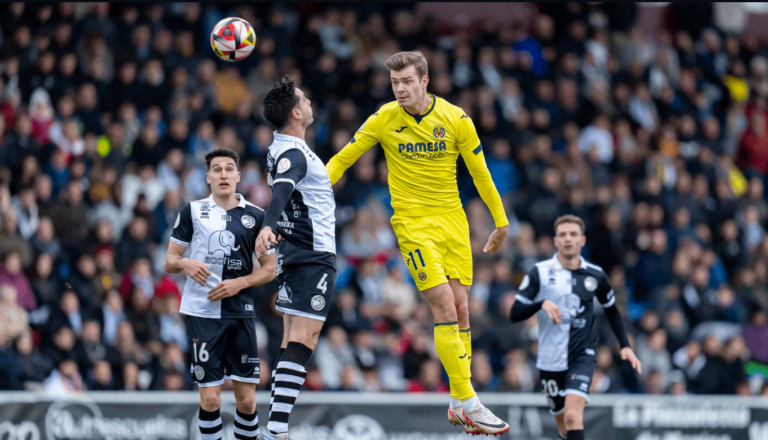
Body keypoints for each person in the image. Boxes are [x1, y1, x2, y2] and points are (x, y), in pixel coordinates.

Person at [324, 50, 510, 435]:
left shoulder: (456, 119)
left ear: (425, 82)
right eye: (394, 83)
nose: (400, 89)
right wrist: (310, 189)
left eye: (407, 81)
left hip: (453, 224)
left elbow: (480, 172)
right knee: (443, 304)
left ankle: (458, 404)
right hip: (412, 225)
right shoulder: (384, 118)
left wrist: (500, 220)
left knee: (461, 310)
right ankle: (470, 400)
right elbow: (343, 159)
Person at [164, 148, 276, 440]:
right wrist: (185, 262)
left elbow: (270, 269)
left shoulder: (257, 216)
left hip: (240, 312)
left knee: (248, 401)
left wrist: (239, 283)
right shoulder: (192, 210)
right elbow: (169, 260)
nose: (223, 174)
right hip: (203, 313)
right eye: (217, 169)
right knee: (210, 400)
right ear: (208, 177)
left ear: (238, 177)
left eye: (229, 169)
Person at [255, 77, 337, 440]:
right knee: (305, 339)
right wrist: (267, 227)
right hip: (311, 256)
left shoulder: (279, 148)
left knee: (291, 340)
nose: (309, 102)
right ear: (295, 112)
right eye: (304, 98)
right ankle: (277, 429)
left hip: (296, 253)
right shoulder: (294, 154)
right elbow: (281, 193)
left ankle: (276, 425)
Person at [510, 215, 642, 440]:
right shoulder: (539, 273)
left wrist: (625, 345)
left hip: (582, 354)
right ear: (555, 241)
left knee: (573, 417)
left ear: (582, 240)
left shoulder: (595, 275)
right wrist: (540, 303)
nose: (568, 239)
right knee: (563, 425)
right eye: (563, 234)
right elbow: (515, 312)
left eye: (573, 234)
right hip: (550, 358)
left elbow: (611, 309)